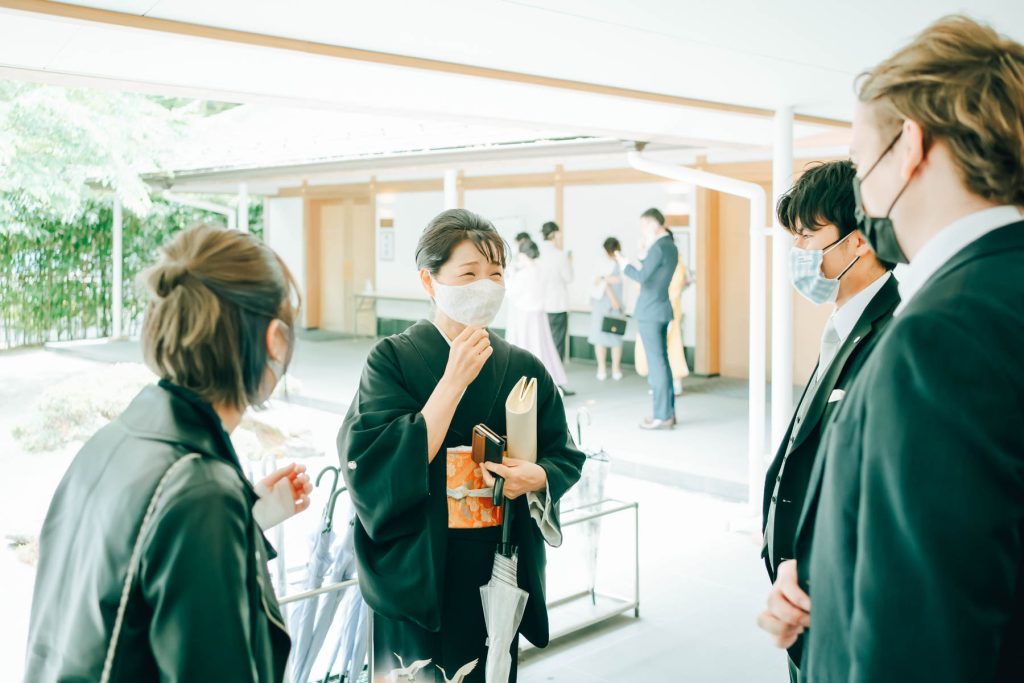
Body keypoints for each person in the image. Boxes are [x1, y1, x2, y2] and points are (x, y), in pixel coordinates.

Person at [792, 16, 1024, 682]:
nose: (863, 189)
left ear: (909, 146)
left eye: (861, 161)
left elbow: (923, 640)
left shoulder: (939, 337)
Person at [25, 225, 311, 682]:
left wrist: (243, 518)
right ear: (274, 338)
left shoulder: (116, 441)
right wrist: (222, 513)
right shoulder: (199, 490)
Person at [337, 209, 585, 683]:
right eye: (469, 273)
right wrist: (452, 382)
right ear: (430, 282)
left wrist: (541, 477)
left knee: (487, 670)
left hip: (496, 563)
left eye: (496, 274)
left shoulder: (523, 366)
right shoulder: (391, 360)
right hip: (420, 565)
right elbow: (371, 462)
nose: (486, 286)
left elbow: (563, 453)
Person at [755, 161, 900, 682]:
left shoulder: (893, 335)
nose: (798, 253)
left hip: (836, 597)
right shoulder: (843, 323)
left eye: (808, 236)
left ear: (857, 242)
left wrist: (814, 575)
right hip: (803, 592)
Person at [618, 208, 678, 430]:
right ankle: (667, 413)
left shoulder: (659, 246)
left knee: (657, 364)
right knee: (662, 363)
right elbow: (654, 273)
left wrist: (625, 264)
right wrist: (643, 254)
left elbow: (642, 276)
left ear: (653, 224)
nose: (642, 229)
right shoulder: (670, 246)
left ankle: (661, 416)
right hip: (660, 308)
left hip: (650, 311)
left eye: (644, 225)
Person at [507, 238, 569, 387]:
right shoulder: (542, 270)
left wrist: (509, 274)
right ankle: (547, 381)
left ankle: (525, 383)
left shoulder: (523, 274)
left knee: (525, 347)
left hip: (524, 316)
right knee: (543, 348)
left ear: (523, 255)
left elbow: (510, 292)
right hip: (540, 315)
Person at [536, 220, 575, 396]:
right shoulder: (560, 255)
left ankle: (544, 383)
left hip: (540, 305)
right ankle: (556, 384)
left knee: (543, 344)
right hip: (557, 305)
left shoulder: (537, 254)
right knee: (557, 346)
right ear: (555, 234)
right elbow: (568, 278)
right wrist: (570, 261)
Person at [588, 237, 625, 381]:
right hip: (601, 304)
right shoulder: (600, 263)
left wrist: (604, 280)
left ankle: (615, 368)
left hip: (616, 305)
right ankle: (602, 368)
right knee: (600, 338)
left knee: (615, 337)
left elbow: (620, 282)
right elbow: (595, 283)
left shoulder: (621, 265)